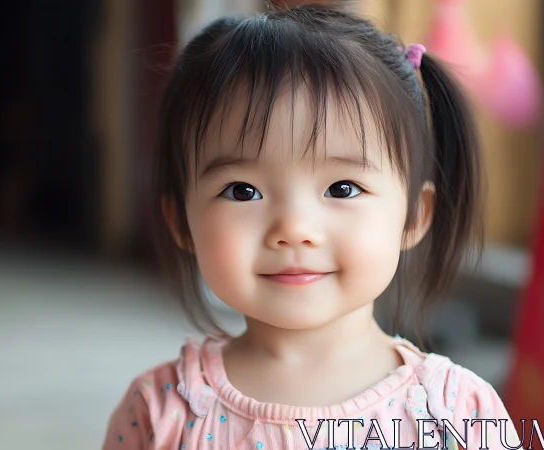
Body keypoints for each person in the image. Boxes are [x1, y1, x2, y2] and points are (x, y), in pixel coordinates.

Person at [103, 4, 522, 449]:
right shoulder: (161, 410)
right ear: (181, 221)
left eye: (342, 188)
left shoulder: (456, 413)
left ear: (414, 215)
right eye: (242, 191)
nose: (294, 228)